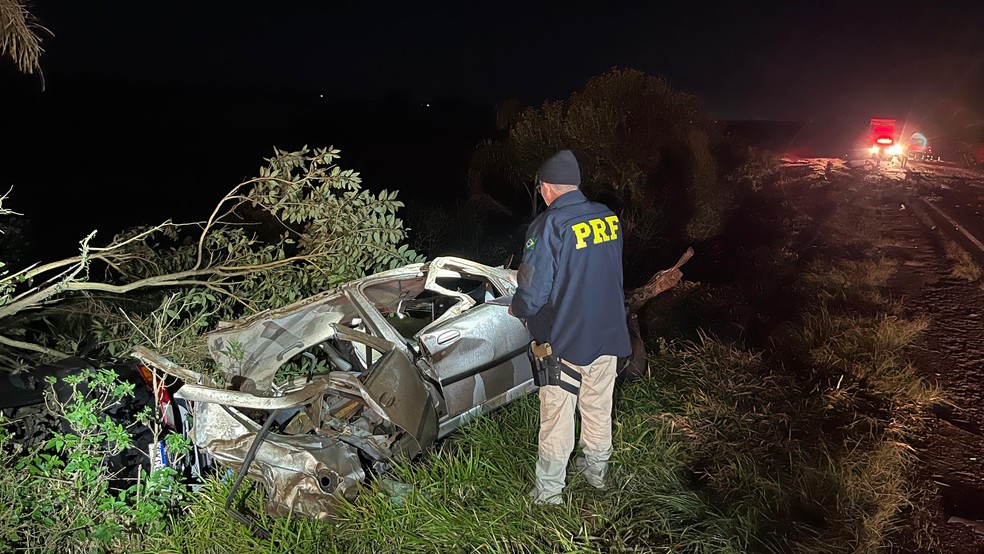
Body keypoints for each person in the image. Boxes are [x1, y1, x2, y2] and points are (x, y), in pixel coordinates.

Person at [509, 149, 631, 505]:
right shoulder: (608, 218)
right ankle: (596, 474)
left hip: (562, 342)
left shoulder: (550, 225)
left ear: (546, 188)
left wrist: (518, 308)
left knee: (557, 416)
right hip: (608, 335)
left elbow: (533, 290)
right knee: (597, 407)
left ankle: (548, 494)